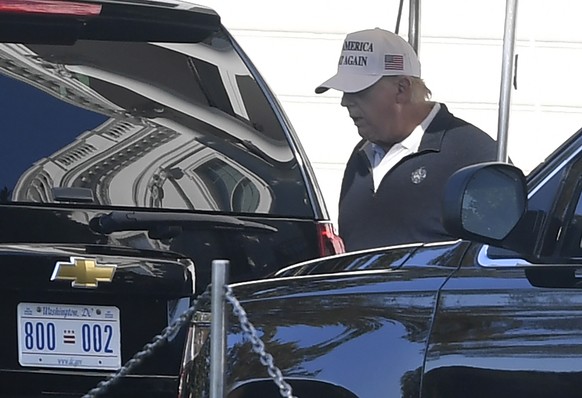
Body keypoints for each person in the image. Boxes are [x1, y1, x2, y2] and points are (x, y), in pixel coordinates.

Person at [315, 27, 498, 252]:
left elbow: (498, 257)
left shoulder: (474, 155)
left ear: (401, 89)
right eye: (344, 91)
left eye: (358, 91)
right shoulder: (362, 156)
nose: (345, 102)